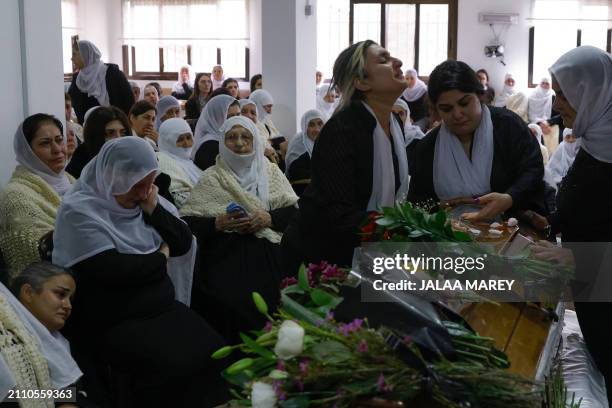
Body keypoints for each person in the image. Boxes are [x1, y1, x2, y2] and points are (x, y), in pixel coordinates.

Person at [52, 136, 228, 407]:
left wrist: (155, 210)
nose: (145, 191)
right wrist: (160, 256)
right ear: (112, 178)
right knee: (174, 366)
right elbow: (116, 270)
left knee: (215, 349)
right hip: (114, 317)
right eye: (137, 185)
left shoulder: (144, 202)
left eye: (150, 182)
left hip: (161, 310)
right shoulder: (79, 212)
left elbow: (182, 241)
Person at [530, 45, 612, 405]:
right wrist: (549, 220)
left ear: (591, 91)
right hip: (595, 299)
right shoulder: (595, 142)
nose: (556, 104)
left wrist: (579, 261)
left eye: (564, 94)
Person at [283, 40, 410, 268]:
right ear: (360, 82)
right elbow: (338, 213)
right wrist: (400, 229)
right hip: (326, 255)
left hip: (367, 244)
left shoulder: (395, 124)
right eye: (384, 60)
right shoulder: (341, 130)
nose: (397, 63)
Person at [181, 116, 298, 344]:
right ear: (222, 142)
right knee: (231, 301)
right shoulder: (212, 177)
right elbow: (189, 222)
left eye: (246, 137)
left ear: (255, 141)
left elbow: (295, 212)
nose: (239, 142)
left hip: (270, 251)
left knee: (279, 297)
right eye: (232, 137)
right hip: (226, 254)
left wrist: (269, 217)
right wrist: (218, 223)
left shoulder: (271, 172)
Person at [407, 60, 546, 222]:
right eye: (447, 109)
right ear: (436, 110)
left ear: (479, 96)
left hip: (510, 230)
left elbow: (533, 168)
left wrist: (510, 198)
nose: (458, 114)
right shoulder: (428, 147)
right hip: (452, 238)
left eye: (464, 103)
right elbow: (418, 203)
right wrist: (438, 208)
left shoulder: (508, 126)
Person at [0, 114, 74, 280]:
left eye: (59, 140)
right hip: (46, 289)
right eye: (45, 143)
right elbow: (36, 252)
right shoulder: (15, 196)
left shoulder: (73, 182)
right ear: (27, 151)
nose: (57, 149)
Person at [1, 263, 81, 407]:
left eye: (71, 299)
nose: (68, 305)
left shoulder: (60, 343)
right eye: (61, 294)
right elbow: (9, 394)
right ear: (28, 293)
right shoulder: (7, 340)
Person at [68, 40, 134, 124]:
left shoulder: (112, 73)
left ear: (85, 54)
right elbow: (72, 105)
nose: (71, 58)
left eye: (74, 54)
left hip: (116, 125)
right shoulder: (77, 80)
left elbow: (129, 100)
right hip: (89, 129)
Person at [66, 106, 130, 178]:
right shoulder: (83, 157)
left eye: (123, 133)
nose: (118, 138)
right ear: (96, 135)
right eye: (110, 133)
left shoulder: (128, 159)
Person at [157, 118, 203, 208]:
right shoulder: (163, 161)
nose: (186, 143)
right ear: (168, 141)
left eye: (189, 137)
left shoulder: (189, 162)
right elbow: (181, 201)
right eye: (180, 139)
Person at [192, 94, 240, 171]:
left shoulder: (227, 138)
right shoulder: (209, 147)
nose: (236, 120)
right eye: (230, 117)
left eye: (238, 115)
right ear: (217, 118)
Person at [285, 110, 325, 196]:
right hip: (305, 190)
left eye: (320, 124)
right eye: (311, 125)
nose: (317, 129)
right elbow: (294, 173)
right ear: (304, 127)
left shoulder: (326, 141)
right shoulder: (299, 143)